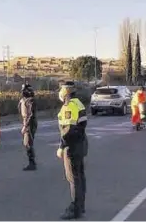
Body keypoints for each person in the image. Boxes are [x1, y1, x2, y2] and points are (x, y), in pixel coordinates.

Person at [56, 81, 88, 220]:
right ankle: (80, 205)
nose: (60, 92)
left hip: (72, 145)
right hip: (80, 144)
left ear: (66, 91)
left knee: (73, 178)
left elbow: (68, 129)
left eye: (61, 89)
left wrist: (62, 146)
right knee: (79, 175)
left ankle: (75, 209)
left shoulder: (69, 106)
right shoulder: (78, 103)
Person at [18, 83, 38, 171]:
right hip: (26, 122)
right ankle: (32, 162)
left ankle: (32, 163)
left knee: (28, 143)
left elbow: (31, 115)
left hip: (30, 124)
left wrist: (25, 126)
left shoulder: (30, 101)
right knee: (27, 143)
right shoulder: (23, 100)